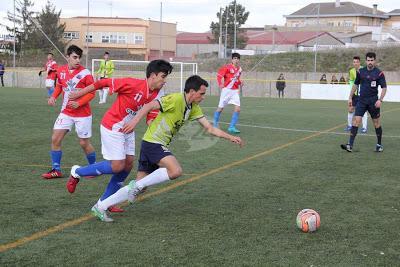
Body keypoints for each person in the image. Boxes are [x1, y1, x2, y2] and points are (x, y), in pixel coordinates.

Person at [89, 75, 243, 222]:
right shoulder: (175, 99)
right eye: (201, 93)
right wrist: (135, 121)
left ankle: (101, 206)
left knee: (140, 187)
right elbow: (150, 105)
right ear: (191, 91)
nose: (203, 97)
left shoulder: (193, 108)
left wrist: (230, 137)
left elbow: (210, 128)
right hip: (153, 143)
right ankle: (132, 187)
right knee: (175, 171)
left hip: (151, 144)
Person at [66, 60, 173, 213]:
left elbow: (151, 115)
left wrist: (157, 128)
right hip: (112, 125)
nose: (164, 80)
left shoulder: (158, 93)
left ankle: (106, 202)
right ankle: (77, 172)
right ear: (153, 75)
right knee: (117, 166)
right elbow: (102, 83)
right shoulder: (132, 83)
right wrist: (79, 93)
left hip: (128, 130)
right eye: (163, 76)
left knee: (128, 164)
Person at [41, 45, 97, 179]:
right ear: (68, 57)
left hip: (83, 114)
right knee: (55, 138)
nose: (77, 60)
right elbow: (59, 87)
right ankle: (56, 170)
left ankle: (94, 168)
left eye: (79, 58)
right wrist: (53, 96)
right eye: (74, 57)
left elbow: (92, 93)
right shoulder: (61, 71)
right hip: (66, 112)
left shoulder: (86, 73)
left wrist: (79, 103)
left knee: (84, 143)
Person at [341, 52, 387, 153]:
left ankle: (379, 145)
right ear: (365, 61)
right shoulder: (360, 72)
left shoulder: (379, 73)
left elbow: (384, 88)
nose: (370, 62)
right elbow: (355, 85)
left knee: (376, 123)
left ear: (374, 61)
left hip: (373, 101)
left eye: (372, 60)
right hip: (361, 101)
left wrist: (380, 100)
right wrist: (350, 97)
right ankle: (350, 145)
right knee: (356, 121)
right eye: (368, 60)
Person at [213, 52, 243, 134]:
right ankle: (215, 124)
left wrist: (240, 82)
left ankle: (232, 127)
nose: (236, 60)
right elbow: (219, 75)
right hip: (226, 91)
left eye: (238, 59)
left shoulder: (240, 69)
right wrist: (220, 84)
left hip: (235, 91)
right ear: (232, 59)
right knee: (220, 108)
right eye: (235, 58)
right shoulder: (227, 67)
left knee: (238, 109)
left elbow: (237, 79)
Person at [345, 56, 368, 133]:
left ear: (359, 62)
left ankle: (364, 127)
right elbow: (351, 82)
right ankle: (349, 126)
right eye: (354, 62)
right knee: (351, 109)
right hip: (355, 94)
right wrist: (351, 94)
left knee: (364, 111)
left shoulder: (364, 70)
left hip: (363, 95)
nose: (355, 63)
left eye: (357, 62)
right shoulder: (351, 71)